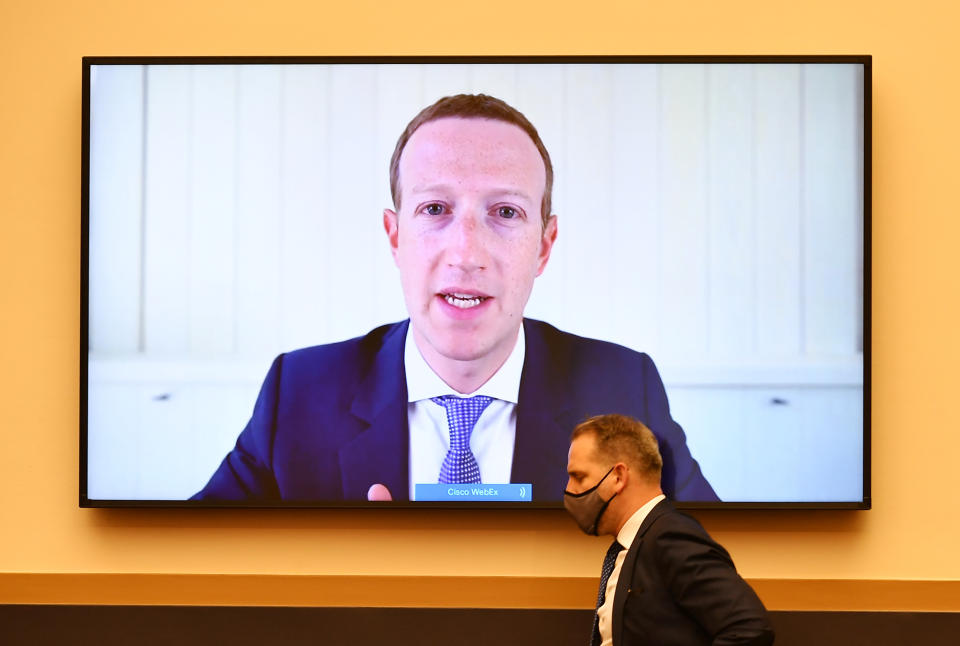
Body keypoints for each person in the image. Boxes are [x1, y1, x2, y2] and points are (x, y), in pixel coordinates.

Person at [193, 94, 717, 503]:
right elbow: (186, 564)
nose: (466, 252)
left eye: (505, 213)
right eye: (436, 209)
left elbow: (717, 572)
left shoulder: (625, 392)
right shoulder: (300, 394)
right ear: (394, 237)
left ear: (545, 245)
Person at [564, 414, 773, 645]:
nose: (569, 489)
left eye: (579, 477)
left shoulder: (670, 536)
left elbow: (749, 628)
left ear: (618, 476)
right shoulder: (633, 544)